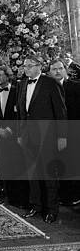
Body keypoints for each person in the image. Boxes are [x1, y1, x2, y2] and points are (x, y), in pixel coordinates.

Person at [17, 55, 67, 224]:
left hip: (48, 136)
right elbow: (22, 112)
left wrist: (62, 137)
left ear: (39, 66)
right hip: (28, 136)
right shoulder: (22, 84)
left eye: (30, 66)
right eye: (25, 66)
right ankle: (35, 206)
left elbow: (60, 112)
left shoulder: (50, 83)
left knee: (49, 174)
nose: (26, 69)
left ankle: (51, 210)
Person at [0, 65, 27, 207]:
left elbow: (21, 113)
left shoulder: (17, 92)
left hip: (15, 136)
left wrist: (9, 129)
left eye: (0, 75)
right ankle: (9, 198)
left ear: (8, 76)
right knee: (4, 167)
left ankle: (21, 199)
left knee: (18, 166)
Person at [48, 59, 80, 207]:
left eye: (60, 68)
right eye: (54, 69)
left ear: (65, 70)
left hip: (73, 132)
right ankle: (61, 194)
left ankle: (73, 195)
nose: (57, 71)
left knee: (72, 163)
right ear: (49, 72)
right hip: (53, 133)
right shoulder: (46, 88)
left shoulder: (75, 87)